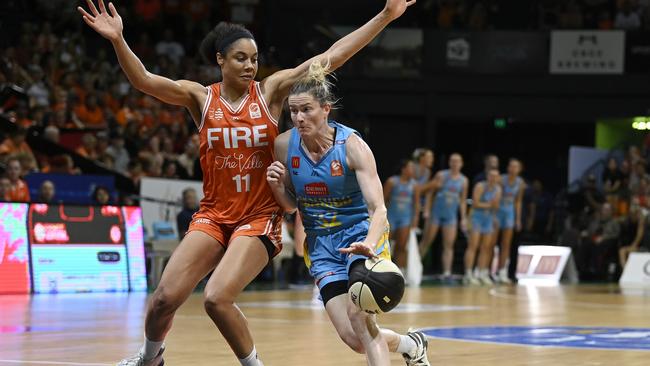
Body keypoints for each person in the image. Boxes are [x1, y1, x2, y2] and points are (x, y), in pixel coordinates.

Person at [78, 0, 416, 365]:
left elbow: (330, 57)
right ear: (221, 60)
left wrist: (384, 16)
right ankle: (149, 358)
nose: (250, 65)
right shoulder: (200, 97)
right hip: (214, 214)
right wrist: (118, 39)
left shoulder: (270, 92)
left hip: (258, 217)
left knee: (215, 298)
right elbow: (144, 80)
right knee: (162, 299)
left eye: (254, 58)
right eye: (240, 58)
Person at [266, 61, 429, 366]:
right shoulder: (284, 145)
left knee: (361, 319)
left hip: (360, 237)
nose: (299, 118)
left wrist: (369, 242)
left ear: (326, 109)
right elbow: (290, 206)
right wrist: (277, 187)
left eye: (307, 110)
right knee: (353, 339)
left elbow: (378, 208)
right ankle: (411, 344)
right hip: (321, 246)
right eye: (293, 112)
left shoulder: (352, 146)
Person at [417, 153, 469, 279]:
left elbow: (462, 201)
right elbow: (430, 193)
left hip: (450, 215)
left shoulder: (463, 180)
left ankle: (447, 272)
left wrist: (463, 218)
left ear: (461, 164)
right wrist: (427, 210)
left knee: (449, 245)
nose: (455, 163)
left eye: (457, 161)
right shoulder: (441, 175)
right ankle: (414, 268)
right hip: (436, 213)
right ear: (449, 163)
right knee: (426, 241)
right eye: (452, 161)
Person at [464, 169, 501, 286]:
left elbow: (496, 207)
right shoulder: (480, 186)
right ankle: (468, 274)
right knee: (473, 246)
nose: (493, 178)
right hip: (476, 218)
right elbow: (475, 203)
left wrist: (495, 218)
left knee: (486, 247)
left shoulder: (498, 189)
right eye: (491, 176)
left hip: (488, 219)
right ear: (487, 176)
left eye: (496, 176)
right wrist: (490, 205)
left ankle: (480, 273)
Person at [494, 159, 525, 284]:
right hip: (498, 211)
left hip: (509, 213)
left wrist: (518, 219)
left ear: (519, 169)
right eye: (511, 166)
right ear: (508, 168)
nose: (512, 168)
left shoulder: (520, 183)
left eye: (515, 167)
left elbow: (518, 201)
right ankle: (487, 271)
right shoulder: (501, 179)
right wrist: (494, 215)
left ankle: (502, 272)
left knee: (506, 244)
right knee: (492, 243)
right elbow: (495, 196)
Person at [384, 159, 418, 272]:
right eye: (411, 167)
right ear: (404, 169)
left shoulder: (414, 185)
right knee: (386, 245)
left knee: (402, 246)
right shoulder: (392, 182)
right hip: (391, 217)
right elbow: (383, 200)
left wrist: (415, 220)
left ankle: (401, 271)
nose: (413, 170)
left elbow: (416, 204)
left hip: (405, 218)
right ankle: (385, 269)